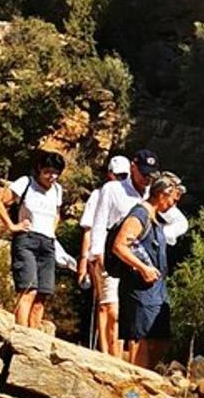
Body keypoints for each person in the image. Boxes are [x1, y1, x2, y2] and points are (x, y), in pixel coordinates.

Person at [89, 148, 188, 356]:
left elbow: (181, 222)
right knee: (114, 313)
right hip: (120, 264)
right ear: (132, 167)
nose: (146, 178)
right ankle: (111, 362)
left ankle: (126, 372)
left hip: (147, 275)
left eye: (151, 175)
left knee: (147, 336)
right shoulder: (115, 191)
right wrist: (95, 253)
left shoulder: (154, 200)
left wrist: (160, 237)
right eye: (143, 173)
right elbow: (102, 226)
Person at [112, 172, 185, 369]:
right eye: (172, 200)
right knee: (141, 343)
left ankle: (140, 386)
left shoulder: (156, 217)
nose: (173, 205)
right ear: (162, 194)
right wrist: (143, 268)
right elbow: (119, 246)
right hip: (140, 291)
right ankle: (132, 395)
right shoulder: (140, 215)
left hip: (156, 291)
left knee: (158, 340)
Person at [0, 150, 66, 328]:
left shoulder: (57, 190)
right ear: (39, 169)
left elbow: (56, 214)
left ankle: (34, 339)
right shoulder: (26, 183)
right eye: (48, 171)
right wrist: (12, 226)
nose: (52, 176)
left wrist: (52, 231)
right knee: (28, 290)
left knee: (42, 295)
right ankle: (21, 336)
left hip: (47, 243)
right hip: (27, 240)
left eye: (56, 172)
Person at [77, 155, 129, 346]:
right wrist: (84, 262)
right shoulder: (98, 195)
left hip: (124, 254)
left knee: (118, 307)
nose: (122, 180)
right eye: (119, 176)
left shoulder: (131, 195)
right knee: (107, 305)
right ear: (110, 174)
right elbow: (88, 229)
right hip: (101, 255)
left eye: (125, 176)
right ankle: (105, 351)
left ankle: (113, 350)